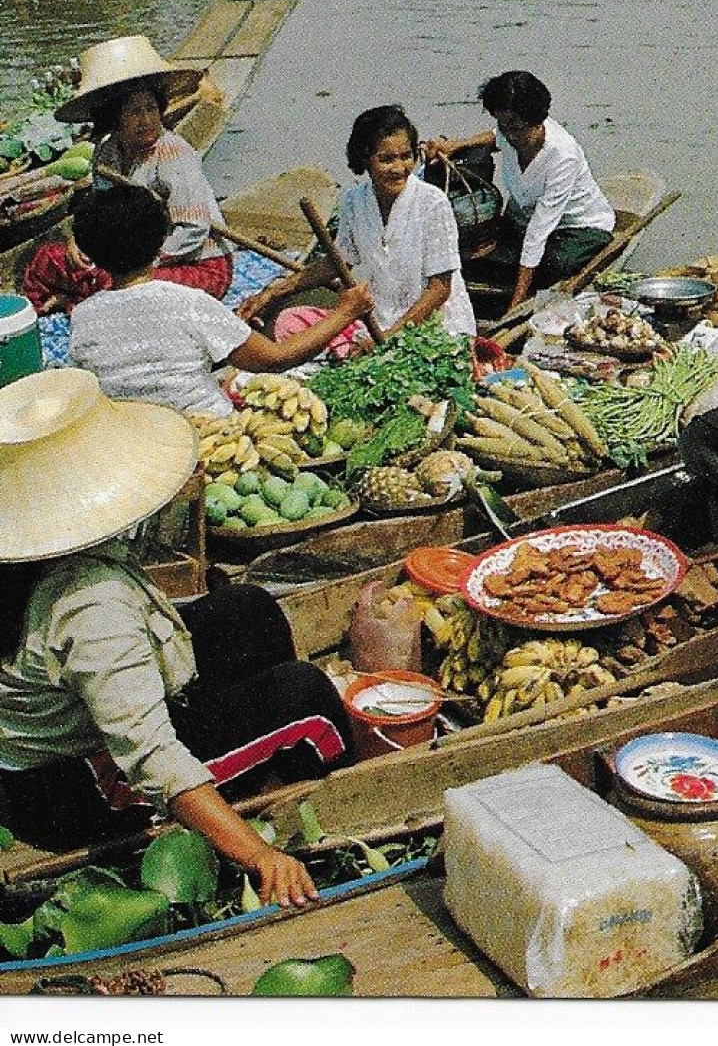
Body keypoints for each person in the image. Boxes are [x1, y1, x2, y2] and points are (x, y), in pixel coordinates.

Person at [0, 369, 356, 906]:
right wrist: (259, 857)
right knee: (307, 701)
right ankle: (297, 810)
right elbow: (150, 759)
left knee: (247, 611)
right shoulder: (90, 603)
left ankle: (258, 767)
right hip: (77, 788)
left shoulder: (34, 562)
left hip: (75, 724)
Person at [68, 184, 371, 417]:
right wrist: (345, 313)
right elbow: (276, 359)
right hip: (206, 432)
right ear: (161, 244)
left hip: (135, 438)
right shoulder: (189, 303)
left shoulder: (82, 316)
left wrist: (228, 330)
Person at [22, 36, 233, 316]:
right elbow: (101, 214)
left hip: (190, 260)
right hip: (126, 259)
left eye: (151, 109)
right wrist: (79, 244)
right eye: (134, 112)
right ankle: (67, 302)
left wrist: (140, 263)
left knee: (118, 287)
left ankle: (74, 300)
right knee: (44, 260)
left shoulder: (174, 154)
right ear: (114, 117)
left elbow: (192, 230)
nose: (146, 120)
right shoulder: (107, 153)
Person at [237, 105, 477, 348]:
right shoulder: (355, 200)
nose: (398, 168)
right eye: (386, 159)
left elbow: (440, 289)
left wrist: (391, 340)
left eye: (406, 156)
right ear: (365, 159)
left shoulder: (433, 203)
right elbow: (337, 262)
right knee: (289, 321)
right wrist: (273, 293)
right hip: (380, 323)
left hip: (434, 329)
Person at [424, 71, 614, 312]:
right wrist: (456, 145)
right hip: (523, 220)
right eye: (503, 125)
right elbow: (494, 137)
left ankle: (521, 292)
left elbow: (538, 231)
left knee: (555, 264)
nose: (509, 135)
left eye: (515, 127)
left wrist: (516, 304)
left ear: (536, 120)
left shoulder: (562, 156)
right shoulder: (508, 133)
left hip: (576, 228)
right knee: (469, 251)